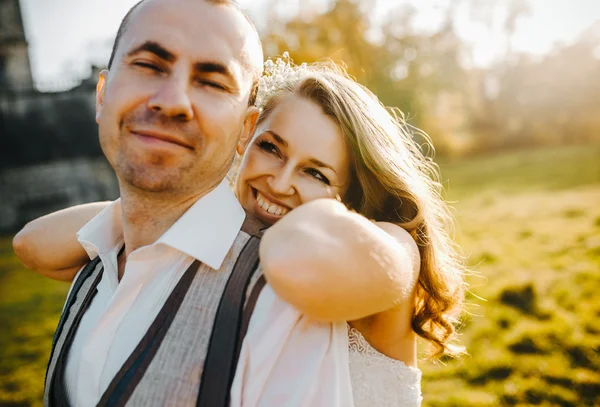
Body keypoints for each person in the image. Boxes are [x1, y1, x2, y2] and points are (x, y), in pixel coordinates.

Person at [15, 55, 466, 405]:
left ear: (353, 192)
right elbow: (33, 246)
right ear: (246, 136)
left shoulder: (390, 243)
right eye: (270, 148)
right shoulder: (214, 234)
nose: (281, 181)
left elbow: (297, 262)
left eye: (317, 173)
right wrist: (160, 209)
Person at [14, 0, 268, 405]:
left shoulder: (275, 299)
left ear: (246, 130)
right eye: (149, 65)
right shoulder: (97, 261)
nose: (172, 100)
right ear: (102, 96)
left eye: (213, 82)